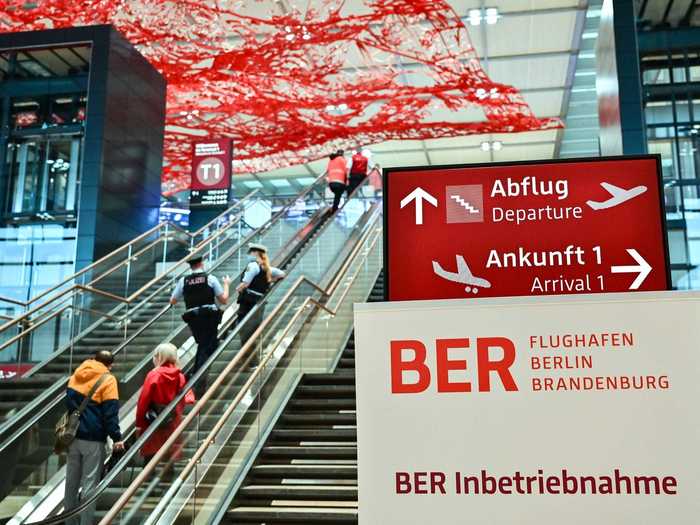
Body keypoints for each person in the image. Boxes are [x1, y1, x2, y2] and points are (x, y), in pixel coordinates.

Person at [64, 350, 124, 525]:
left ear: (94, 359)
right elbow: (110, 413)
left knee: (71, 482)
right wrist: (117, 437)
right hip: (93, 439)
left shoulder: (78, 373)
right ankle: (85, 522)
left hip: (73, 436)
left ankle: (69, 522)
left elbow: (68, 402)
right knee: (90, 484)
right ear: (110, 365)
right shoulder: (108, 379)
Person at [170, 254, 231, 383]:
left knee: (204, 343)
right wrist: (226, 284)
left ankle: (197, 374)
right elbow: (224, 300)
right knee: (207, 345)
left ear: (191, 266)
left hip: (193, 318)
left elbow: (173, 300)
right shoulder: (210, 278)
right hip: (209, 316)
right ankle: (198, 377)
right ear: (202, 264)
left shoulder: (183, 281)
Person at [136, 344, 194, 466]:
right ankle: (167, 484)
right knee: (169, 461)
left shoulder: (153, 375)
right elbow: (186, 400)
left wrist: (139, 424)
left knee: (150, 461)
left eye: (156, 355)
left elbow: (143, 401)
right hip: (172, 423)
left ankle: (147, 484)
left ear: (160, 357)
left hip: (153, 423)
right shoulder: (180, 376)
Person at [235, 244, 286, 343]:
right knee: (254, 327)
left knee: (243, 325)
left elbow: (245, 284)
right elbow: (282, 274)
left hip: (248, 301)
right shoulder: (267, 268)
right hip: (260, 301)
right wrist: (270, 281)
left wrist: (237, 288)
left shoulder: (252, 265)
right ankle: (252, 350)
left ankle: (245, 349)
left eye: (250, 253)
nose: (248, 255)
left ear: (255, 253)